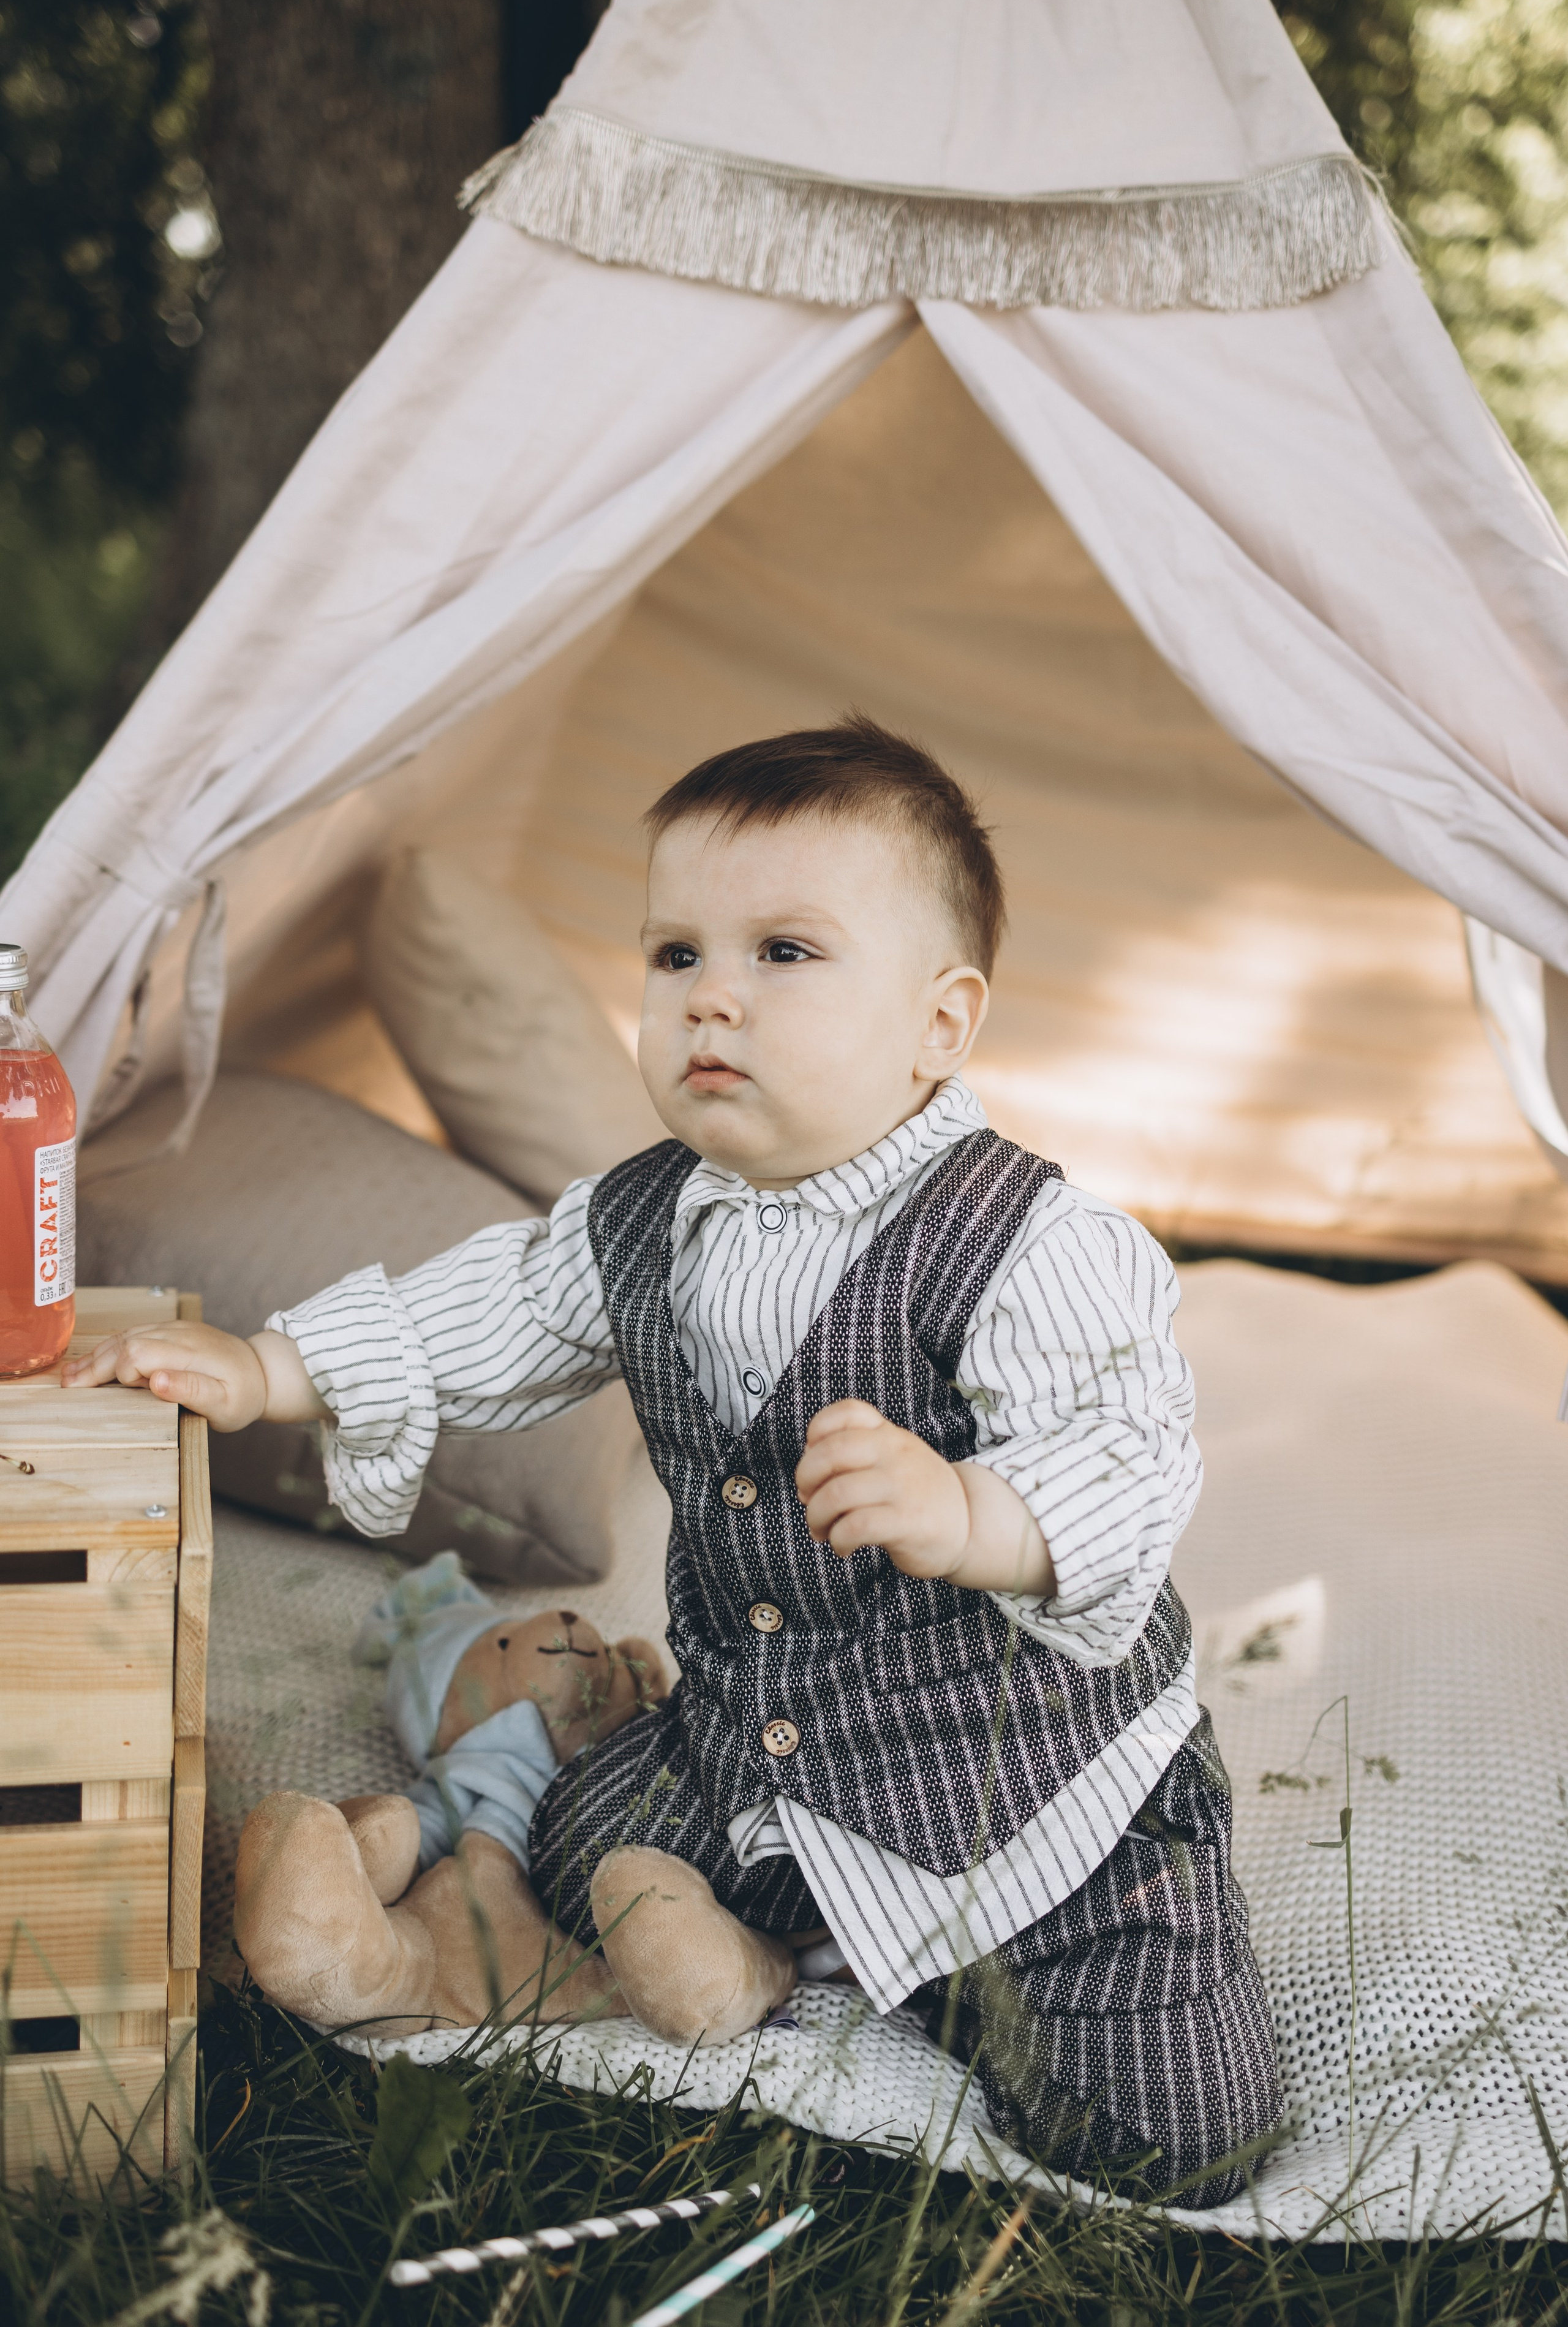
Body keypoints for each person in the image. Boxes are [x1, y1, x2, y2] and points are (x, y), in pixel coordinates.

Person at [64, 715, 1280, 2204]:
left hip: (1019, 1777)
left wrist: (977, 1511)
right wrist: (269, 1368)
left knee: (1180, 2133)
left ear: (939, 1026)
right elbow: (483, 1312)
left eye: (783, 953)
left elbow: (1128, 1446)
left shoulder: (1030, 1238)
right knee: (593, 1823)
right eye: (673, 956)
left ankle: (969, 1958)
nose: (712, 999)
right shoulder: (638, 1220)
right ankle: (779, 1943)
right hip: (763, 1745)